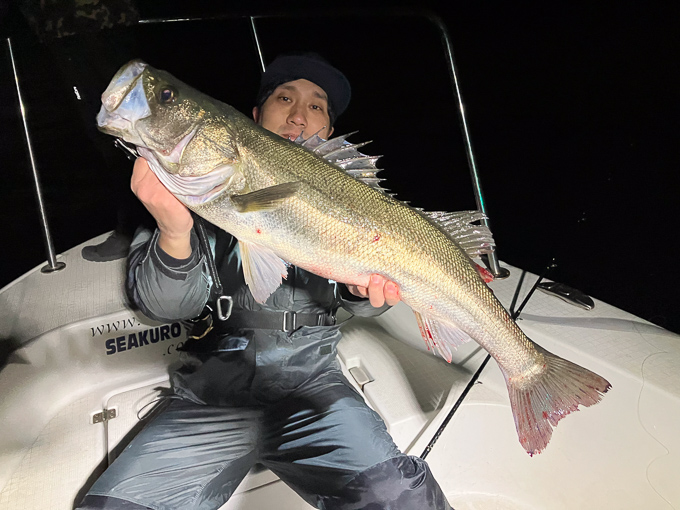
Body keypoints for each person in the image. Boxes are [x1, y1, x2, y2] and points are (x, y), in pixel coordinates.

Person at [77, 53, 452, 510]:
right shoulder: (180, 191)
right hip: (211, 396)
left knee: (396, 496)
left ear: (328, 131)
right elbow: (164, 305)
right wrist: (174, 231)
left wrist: (364, 292)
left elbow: (364, 299)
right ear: (253, 117)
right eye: (284, 98)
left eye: (316, 106)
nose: (298, 115)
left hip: (314, 391)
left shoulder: (349, 195)